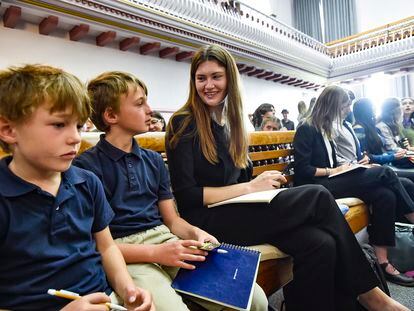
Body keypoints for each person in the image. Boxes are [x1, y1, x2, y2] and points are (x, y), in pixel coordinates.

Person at [165, 44, 410, 311]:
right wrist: (249, 187)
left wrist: (260, 185)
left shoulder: (230, 123)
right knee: (317, 195)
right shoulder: (183, 122)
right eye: (201, 78)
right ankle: (371, 295)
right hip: (205, 219)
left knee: (321, 243)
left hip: (236, 210)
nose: (208, 85)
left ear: (229, 80)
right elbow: (187, 195)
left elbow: (238, 180)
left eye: (216, 77)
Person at [73, 71, 268, 311]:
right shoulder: (87, 167)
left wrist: (196, 233)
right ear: (111, 115)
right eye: (140, 103)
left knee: (253, 298)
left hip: (164, 237)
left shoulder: (153, 161)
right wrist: (156, 253)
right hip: (126, 251)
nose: (149, 109)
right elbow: (99, 245)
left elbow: (172, 220)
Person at [0, 64, 154, 311]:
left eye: (79, 125)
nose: (75, 138)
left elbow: (106, 246)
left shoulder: (87, 182)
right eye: (59, 125)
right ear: (9, 130)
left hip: (105, 301)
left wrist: (128, 289)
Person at [293, 85, 414, 287]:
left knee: (385, 194)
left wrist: (351, 166)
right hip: (316, 186)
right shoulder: (307, 128)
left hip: (332, 179)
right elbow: (303, 169)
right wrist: (335, 171)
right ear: (332, 105)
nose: (349, 110)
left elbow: (333, 161)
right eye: (345, 105)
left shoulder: (326, 127)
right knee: (386, 172)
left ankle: (382, 262)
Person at [353, 98, 414, 178]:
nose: (374, 109)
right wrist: (393, 155)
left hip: (384, 162)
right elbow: (367, 157)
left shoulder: (370, 126)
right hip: (378, 166)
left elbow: (381, 152)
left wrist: (399, 153)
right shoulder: (359, 128)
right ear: (366, 110)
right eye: (372, 106)